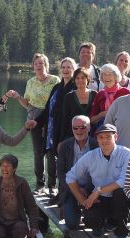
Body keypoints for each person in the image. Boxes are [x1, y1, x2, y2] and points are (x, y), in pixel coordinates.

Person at [65, 124, 130, 238]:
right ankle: (99, 225)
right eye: (101, 137)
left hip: (118, 198)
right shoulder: (91, 156)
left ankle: (121, 234)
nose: (104, 140)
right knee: (90, 219)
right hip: (100, 199)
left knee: (120, 192)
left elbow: (124, 180)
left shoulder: (126, 153)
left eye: (108, 136)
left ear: (116, 137)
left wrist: (98, 190)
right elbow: (70, 176)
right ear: (97, 139)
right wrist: (82, 199)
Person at [7, 54, 61, 195]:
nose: (38, 66)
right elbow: (27, 103)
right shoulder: (31, 82)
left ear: (46, 65)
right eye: (36, 63)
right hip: (33, 118)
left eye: (41, 63)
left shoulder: (55, 80)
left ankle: (52, 185)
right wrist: (18, 97)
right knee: (38, 152)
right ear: (33, 66)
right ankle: (40, 184)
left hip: (51, 117)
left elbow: (58, 102)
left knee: (51, 152)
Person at [0, 155, 42, 238]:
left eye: (8, 166)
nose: (4, 169)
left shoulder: (22, 183)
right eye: (2, 166)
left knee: (21, 230)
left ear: (15, 168)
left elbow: (31, 207)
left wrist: (34, 226)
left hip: (17, 221)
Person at [38, 57, 78, 195]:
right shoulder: (56, 87)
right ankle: (51, 189)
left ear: (74, 70)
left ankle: (63, 193)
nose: (66, 70)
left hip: (65, 132)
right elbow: (48, 109)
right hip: (51, 132)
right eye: (64, 67)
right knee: (51, 161)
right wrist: (36, 122)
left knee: (63, 164)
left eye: (69, 67)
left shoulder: (75, 88)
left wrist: (63, 137)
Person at [56, 115, 98, 229]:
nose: (79, 131)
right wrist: (77, 190)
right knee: (72, 224)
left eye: (83, 127)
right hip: (70, 189)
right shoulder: (65, 145)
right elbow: (60, 173)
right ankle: (67, 206)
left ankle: (88, 213)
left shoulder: (97, 145)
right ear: (72, 128)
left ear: (89, 128)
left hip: (91, 190)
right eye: (75, 128)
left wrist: (87, 189)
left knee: (93, 222)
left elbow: (100, 173)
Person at [55, 67, 96, 146]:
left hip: (91, 136)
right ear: (74, 80)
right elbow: (64, 120)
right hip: (72, 137)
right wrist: (61, 141)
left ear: (88, 79)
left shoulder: (95, 95)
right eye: (77, 78)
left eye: (83, 78)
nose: (80, 80)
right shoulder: (69, 97)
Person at [89, 63, 130, 132]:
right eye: (104, 74)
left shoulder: (125, 92)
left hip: (122, 130)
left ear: (115, 76)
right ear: (101, 78)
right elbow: (92, 120)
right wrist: (102, 114)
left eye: (109, 74)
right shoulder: (99, 94)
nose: (106, 77)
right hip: (104, 132)